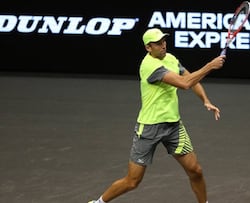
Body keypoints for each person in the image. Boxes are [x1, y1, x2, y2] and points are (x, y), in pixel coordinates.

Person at [88, 28, 226, 203]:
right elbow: (184, 84)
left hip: (173, 127)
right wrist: (210, 66)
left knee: (195, 170)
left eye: (164, 41)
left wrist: (205, 100)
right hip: (149, 128)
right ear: (148, 47)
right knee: (133, 181)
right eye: (158, 43)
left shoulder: (171, 59)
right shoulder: (149, 66)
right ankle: (98, 202)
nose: (163, 45)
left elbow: (190, 78)